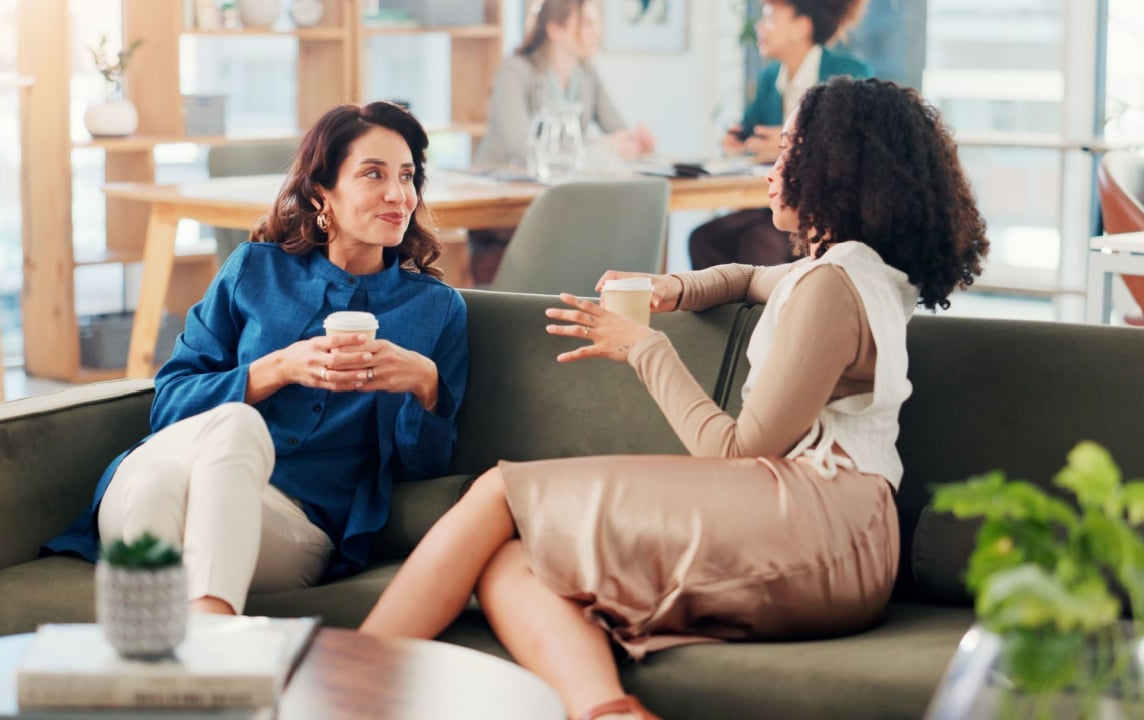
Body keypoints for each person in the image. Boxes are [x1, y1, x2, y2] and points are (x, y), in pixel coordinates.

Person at [359, 77, 989, 720]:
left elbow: (738, 451)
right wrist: (672, 289)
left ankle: (348, 680)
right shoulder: (860, 271)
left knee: (500, 490)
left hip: (821, 529)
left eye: (789, 150)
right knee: (514, 560)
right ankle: (608, 711)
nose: (773, 169)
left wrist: (644, 347)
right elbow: (750, 277)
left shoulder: (832, 287)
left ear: (835, 167)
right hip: (836, 531)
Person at [43, 101, 469, 616]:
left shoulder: (436, 311)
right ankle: (209, 631)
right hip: (155, 483)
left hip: (291, 524)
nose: (398, 194)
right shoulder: (253, 270)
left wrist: (426, 387)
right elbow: (168, 406)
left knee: (197, 482)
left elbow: (422, 470)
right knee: (217, 439)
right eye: (373, 174)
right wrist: (276, 370)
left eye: (407, 175)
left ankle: (163, 634)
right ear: (322, 192)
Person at [470, 0, 656, 286]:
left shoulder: (587, 74)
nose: (597, 32)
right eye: (587, 23)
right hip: (503, 206)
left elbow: (617, 129)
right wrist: (605, 146)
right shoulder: (515, 71)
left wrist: (634, 141)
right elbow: (523, 147)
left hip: (559, 202)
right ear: (555, 29)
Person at [689, 0, 872, 271]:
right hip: (772, 202)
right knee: (704, 238)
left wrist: (793, 145)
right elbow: (749, 129)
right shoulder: (770, 78)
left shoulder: (847, 74)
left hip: (822, 207)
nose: (760, 27)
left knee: (757, 240)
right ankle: (736, 302)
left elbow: (855, 146)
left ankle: (775, 300)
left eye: (770, 18)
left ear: (801, 27)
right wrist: (738, 142)